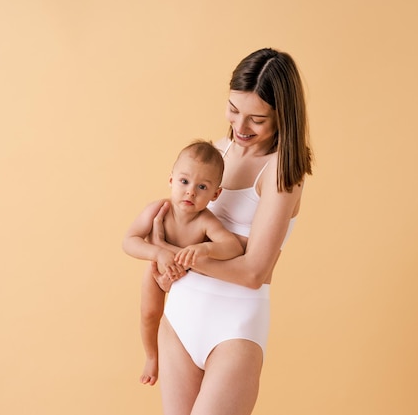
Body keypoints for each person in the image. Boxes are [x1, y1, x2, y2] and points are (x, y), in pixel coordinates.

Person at [146, 48, 313, 415]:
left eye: (257, 119)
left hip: (234, 326)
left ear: (283, 116)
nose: (240, 127)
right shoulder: (214, 155)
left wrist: (176, 255)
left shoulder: (280, 171)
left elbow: (254, 273)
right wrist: (171, 252)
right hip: (180, 316)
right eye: (234, 110)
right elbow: (176, 227)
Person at [122, 140, 244, 386]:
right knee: (149, 314)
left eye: (202, 187)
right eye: (184, 182)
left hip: (188, 282)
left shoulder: (206, 221)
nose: (191, 192)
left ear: (215, 194)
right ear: (171, 180)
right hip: (157, 272)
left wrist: (205, 248)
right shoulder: (159, 210)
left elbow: (233, 247)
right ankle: (151, 356)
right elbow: (129, 241)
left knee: (178, 323)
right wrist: (157, 254)